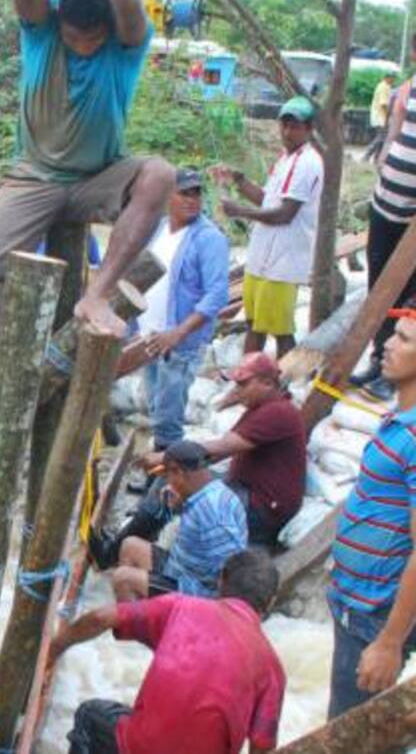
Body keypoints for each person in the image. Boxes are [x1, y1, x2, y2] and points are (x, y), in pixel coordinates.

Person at [0, 0, 173, 415]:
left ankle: (97, 292)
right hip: (33, 176)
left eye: (92, 38)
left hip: (96, 176)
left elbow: (128, 3)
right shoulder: (40, 27)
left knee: (160, 175)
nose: (82, 46)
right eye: (74, 36)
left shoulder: (124, 43)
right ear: (60, 22)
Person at [52, 549, 285, 754]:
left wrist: (55, 648)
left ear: (221, 580)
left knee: (89, 714)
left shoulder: (181, 607)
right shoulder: (273, 669)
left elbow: (100, 617)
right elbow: (262, 746)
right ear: (271, 602)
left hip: (138, 748)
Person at [117, 353, 305, 560]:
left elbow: (222, 447)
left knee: (175, 487)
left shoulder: (276, 412)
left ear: (268, 383)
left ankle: (125, 544)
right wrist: (176, 467)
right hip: (247, 493)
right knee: (174, 480)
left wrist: (165, 457)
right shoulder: (263, 408)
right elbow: (217, 453)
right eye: (237, 385)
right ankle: (138, 537)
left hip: (261, 508)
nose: (237, 390)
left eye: (244, 385)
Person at [326, 303, 416, 718]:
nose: (387, 345)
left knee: (351, 736)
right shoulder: (399, 418)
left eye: (404, 339)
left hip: (375, 616)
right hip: (354, 601)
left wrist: (390, 642)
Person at [212, 96, 324, 359]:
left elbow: (285, 214)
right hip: (263, 257)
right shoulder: (286, 159)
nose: (287, 132)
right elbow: (267, 200)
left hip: (282, 262)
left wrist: (239, 211)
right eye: (284, 125)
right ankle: (250, 379)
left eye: (294, 126)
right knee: (255, 323)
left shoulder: (307, 163)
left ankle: (284, 384)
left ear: (309, 129)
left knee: (280, 330)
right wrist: (239, 180)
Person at [139, 168, 230, 451]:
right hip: (149, 337)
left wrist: (177, 334)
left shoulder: (208, 238)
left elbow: (217, 295)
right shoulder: (158, 229)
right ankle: (163, 475)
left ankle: (165, 481)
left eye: (197, 193)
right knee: (155, 406)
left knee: (167, 419)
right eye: (184, 193)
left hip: (179, 343)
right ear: (168, 196)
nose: (191, 200)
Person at [352, 53, 416, 400]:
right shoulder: (406, 90)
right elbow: (393, 132)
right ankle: (379, 360)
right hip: (384, 204)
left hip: (412, 219)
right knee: (379, 289)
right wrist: (385, 159)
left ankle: (398, 375)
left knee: (409, 296)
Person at [109, 440, 246, 601]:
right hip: (182, 567)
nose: (169, 482)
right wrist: (179, 507)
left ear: (178, 472)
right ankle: (145, 613)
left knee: (123, 579)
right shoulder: (211, 491)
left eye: (168, 476)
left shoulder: (213, 515)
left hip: (196, 591)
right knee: (130, 545)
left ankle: (138, 622)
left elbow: (229, 570)